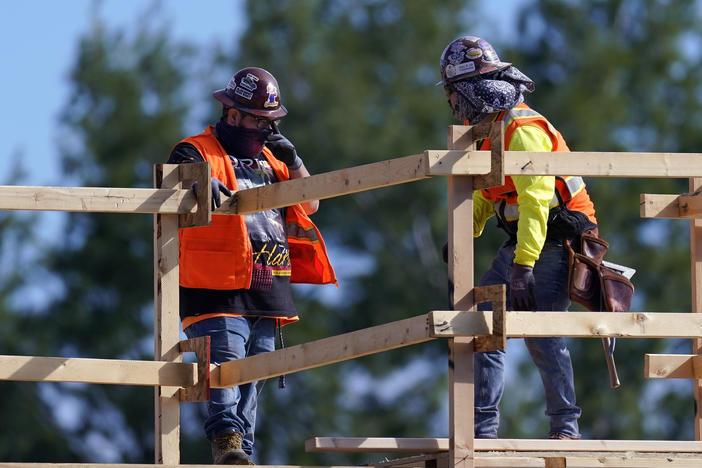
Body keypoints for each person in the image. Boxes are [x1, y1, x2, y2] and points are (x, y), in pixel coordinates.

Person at [167, 66, 336, 464]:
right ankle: (226, 440)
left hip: (267, 284)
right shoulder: (196, 149)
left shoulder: (272, 161)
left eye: (270, 122)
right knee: (227, 360)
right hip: (215, 284)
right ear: (233, 114)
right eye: (258, 120)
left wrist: (294, 160)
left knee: (256, 370)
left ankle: (242, 450)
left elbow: (310, 202)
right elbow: (177, 176)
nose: (264, 129)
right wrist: (199, 182)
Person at [438, 36, 598, 440]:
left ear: (471, 92)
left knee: (542, 329)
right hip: (528, 239)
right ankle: (482, 430)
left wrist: (523, 268)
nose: (453, 106)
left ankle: (566, 426)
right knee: (484, 325)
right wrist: (462, 235)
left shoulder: (522, 131)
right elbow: (484, 191)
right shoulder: (489, 132)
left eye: (454, 96)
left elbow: (536, 204)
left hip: (558, 240)